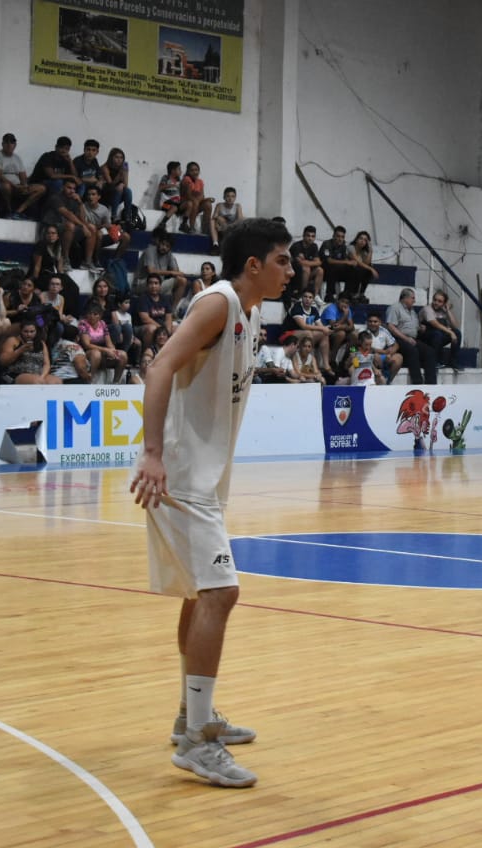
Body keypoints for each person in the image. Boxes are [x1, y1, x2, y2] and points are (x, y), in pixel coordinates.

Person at [130, 217, 295, 789]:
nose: (290, 271)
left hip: (204, 478)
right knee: (222, 592)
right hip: (179, 477)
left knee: (200, 593)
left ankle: (190, 717)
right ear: (253, 265)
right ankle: (197, 741)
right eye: (283, 260)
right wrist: (153, 453)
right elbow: (159, 366)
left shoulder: (249, 313)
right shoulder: (218, 303)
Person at [386, 287, 437, 384]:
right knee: (412, 350)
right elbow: (391, 326)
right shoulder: (395, 308)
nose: (414, 301)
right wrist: (406, 338)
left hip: (412, 338)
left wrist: (420, 328)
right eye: (412, 298)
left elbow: (413, 327)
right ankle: (417, 382)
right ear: (404, 298)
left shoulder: (412, 311)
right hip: (399, 339)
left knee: (429, 352)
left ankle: (431, 383)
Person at [0, 132, 46, 219]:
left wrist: (24, 186)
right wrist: (14, 185)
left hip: (18, 186)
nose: (9, 145)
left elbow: (23, 175)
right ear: (2, 144)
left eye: (12, 142)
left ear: (15, 145)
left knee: (41, 188)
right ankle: (8, 211)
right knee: (6, 186)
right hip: (6, 185)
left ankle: (18, 212)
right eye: (6, 142)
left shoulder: (17, 158)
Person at [0, 319, 58, 384]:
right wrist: (20, 350)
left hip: (38, 373)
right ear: (21, 331)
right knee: (36, 381)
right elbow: (3, 361)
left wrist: (42, 376)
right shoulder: (13, 340)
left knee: (55, 381)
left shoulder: (41, 343)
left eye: (32, 331)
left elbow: (46, 364)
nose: (29, 334)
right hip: (18, 373)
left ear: (36, 331)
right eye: (25, 331)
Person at [420, 290, 461, 369]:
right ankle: (434, 361)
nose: (436, 302)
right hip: (424, 338)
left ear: (444, 303)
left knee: (457, 333)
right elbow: (434, 323)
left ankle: (452, 361)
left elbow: (455, 326)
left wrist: (448, 310)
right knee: (437, 333)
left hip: (437, 338)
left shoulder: (443, 311)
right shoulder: (427, 309)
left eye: (439, 301)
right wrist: (450, 332)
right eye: (435, 300)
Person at [287, 226, 324, 308]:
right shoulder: (296, 246)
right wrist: (312, 263)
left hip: (307, 273)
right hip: (295, 274)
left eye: (313, 236)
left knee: (320, 270)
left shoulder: (314, 246)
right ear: (303, 236)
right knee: (306, 268)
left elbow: (318, 262)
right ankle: (303, 294)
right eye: (308, 236)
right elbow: (300, 263)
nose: (310, 238)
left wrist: (307, 262)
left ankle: (315, 295)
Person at [364, 312, 403, 383]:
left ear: (380, 322)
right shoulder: (363, 332)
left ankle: (389, 381)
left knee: (399, 357)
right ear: (367, 322)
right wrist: (384, 352)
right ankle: (378, 379)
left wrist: (390, 354)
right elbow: (364, 348)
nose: (372, 323)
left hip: (382, 356)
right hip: (369, 356)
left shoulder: (384, 331)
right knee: (375, 356)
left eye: (375, 322)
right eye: (370, 321)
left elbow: (396, 345)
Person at [177, 161, 214, 235]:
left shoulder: (200, 181)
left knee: (208, 204)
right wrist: (197, 198)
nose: (194, 172)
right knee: (194, 201)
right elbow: (188, 195)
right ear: (188, 171)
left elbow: (202, 195)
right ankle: (192, 227)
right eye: (192, 170)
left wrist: (206, 199)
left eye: (196, 170)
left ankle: (205, 228)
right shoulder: (186, 179)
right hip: (185, 206)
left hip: (195, 205)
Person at [99, 146, 132, 219]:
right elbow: (110, 184)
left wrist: (125, 174)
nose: (119, 160)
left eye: (121, 157)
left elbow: (126, 185)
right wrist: (120, 174)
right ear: (111, 158)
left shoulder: (123, 166)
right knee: (118, 190)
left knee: (128, 191)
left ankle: (128, 216)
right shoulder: (105, 167)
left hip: (117, 195)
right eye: (116, 157)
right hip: (106, 195)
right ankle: (114, 216)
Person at [208, 186, 241, 254]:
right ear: (224, 197)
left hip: (231, 228)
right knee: (213, 221)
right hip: (221, 228)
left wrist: (228, 226)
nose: (230, 198)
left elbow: (240, 219)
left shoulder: (237, 206)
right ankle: (215, 245)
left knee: (242, 221)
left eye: (232, 196)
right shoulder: (219, 205)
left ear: (235, 198)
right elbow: (214, 216)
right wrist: (219, 220)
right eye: (228, 196)